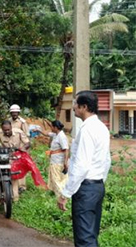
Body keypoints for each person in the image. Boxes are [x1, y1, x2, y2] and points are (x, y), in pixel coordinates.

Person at [57, 91, 111, 247]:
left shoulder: (87, 130)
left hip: (86, 188)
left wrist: (66, 193)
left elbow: (81, 166)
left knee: (84, 239)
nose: (73, 107)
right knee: (91, 234)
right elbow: (106, 160)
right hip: (97, 186)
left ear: (84, 107)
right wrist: (98, 182)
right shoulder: (101, 127)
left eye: (75, 104)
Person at [0, 120, 30, 201]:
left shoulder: (19, 132)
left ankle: (17, 194)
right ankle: (3, 190)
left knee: (15, 176)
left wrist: (23, 148)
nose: (7, 132)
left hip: (18, 155)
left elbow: (28, 143)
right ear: (2, 129)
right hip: (5, 156)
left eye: (8, 130)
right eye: (5, 130)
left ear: (11, 127)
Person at [35, 120, 69, 196]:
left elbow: (66, 149)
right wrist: (38, 130)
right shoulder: (56, 134)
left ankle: (61, 195)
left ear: (56, 127)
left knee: (57, 179)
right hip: (54, 160)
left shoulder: (61, 136)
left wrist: (65, 162)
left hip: (58, 161)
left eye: (52, 127)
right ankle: (56, 193)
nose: (51, 128)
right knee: (55, 178)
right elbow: (47, 134)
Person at [8, 104, 29, 192]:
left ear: (18, 113)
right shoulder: (8, 121)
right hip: (10, 147)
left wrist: (24, 148)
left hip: (20, 148)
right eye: (13, 113)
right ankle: (12, 183)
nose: (14, 114)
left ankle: (22, 186)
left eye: (16, 113)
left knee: (21, 167)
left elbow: (26, 135)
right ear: (11, 113)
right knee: (11, 165)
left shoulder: (22, 122)